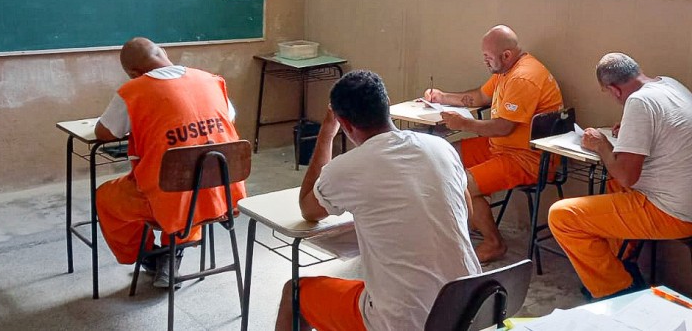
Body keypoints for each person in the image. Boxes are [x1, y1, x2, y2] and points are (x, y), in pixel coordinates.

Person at [275, 70, 481, 331]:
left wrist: (326, 132)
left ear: (344, 123)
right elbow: (467, 215)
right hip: (470, 308)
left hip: (404, 321)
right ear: (387, 105)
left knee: (294, 294)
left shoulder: (347, 168)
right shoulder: (442, 148)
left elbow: (308, 209)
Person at [94, 37, 246, 288]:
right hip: (221, 194)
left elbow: (104, 132)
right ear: (164, 52)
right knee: (189, 183)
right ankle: (172, 253)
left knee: (107, 197)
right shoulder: (210, 80)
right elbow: (229, 117)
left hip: (166, 199)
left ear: (133, 73)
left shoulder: (134, 91)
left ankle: (149, 255)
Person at [548, 53, 692, 299]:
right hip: (682, 198)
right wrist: (630, 130)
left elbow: (627, 177)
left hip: (673, 211)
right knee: (613, 183)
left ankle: (618, 291)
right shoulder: (668, 84)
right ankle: (622, 262)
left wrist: (602, 145)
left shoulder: (638, 102)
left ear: (614, 89)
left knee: (562, 216)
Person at [423, 24, 563, 262]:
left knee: (460, 183)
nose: (485, 61)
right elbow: (480, 96)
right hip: (500, 146)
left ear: (506, 55)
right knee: (444, 155)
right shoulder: (506, 70)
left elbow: (503, 127)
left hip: (526, 158)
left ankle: (493, 243)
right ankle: (474, 217)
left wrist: (463, 124)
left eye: (488, 56)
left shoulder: (523, 77)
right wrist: (442, 97)